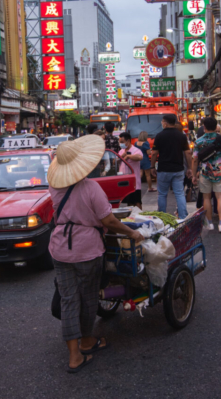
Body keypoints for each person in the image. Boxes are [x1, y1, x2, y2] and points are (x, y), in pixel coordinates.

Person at [47, 135, 144, 373]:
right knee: (89, 297)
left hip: (59, 249)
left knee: (69, 300)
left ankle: (74, 356)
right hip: (87, 250)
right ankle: (88, 341)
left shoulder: (55, 186)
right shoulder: (92, 188)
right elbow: (109, 220)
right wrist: (131, 234)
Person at [192, 117, 221, 233]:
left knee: (206, 197)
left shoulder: (199, 141)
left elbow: (195, 159)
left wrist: (194, 175)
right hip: (219, 171)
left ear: (204, 127)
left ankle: (210, 223)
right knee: (220, 197)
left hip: (205, 172)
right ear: (216, 127)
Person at [151, 114, 193, 220]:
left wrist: (152, 167)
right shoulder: (181, 136)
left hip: (163, 169)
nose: (162, 123)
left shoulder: (159, 136)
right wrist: (189, 168)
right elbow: (188, 153)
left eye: (162, 122)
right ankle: (183, 217)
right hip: (178, 169)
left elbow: (154, 153)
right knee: (179, 193)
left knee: (162, 194)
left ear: (165, 122)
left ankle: (162, 217)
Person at [119, 132, 143, 209]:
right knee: (129, 202)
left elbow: (139, 157)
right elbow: (115, 161)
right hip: (125, 181)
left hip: (134, 182)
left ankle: (140, 216)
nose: (121, 144)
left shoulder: (136, 150)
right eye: (120, 142)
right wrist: (120, 158)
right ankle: (132, 218)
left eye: (122, 142)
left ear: (128, 141)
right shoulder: (121, 151)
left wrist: (129, 156)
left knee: (137, 202)